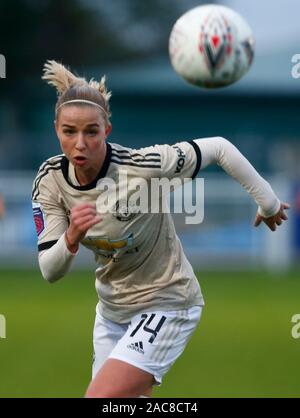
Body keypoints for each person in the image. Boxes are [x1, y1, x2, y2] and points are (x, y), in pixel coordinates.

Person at [32, 60, 289, 398]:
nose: (80, 143)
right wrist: (71, 237)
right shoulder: (49, 180)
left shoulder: (144, 167)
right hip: (111, 313)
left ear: (106, 130)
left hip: (168, 301)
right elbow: (50, 270)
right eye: (69, 131)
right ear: (56, 130)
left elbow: (219, 148)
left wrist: (268, 203)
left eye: (91, 131)